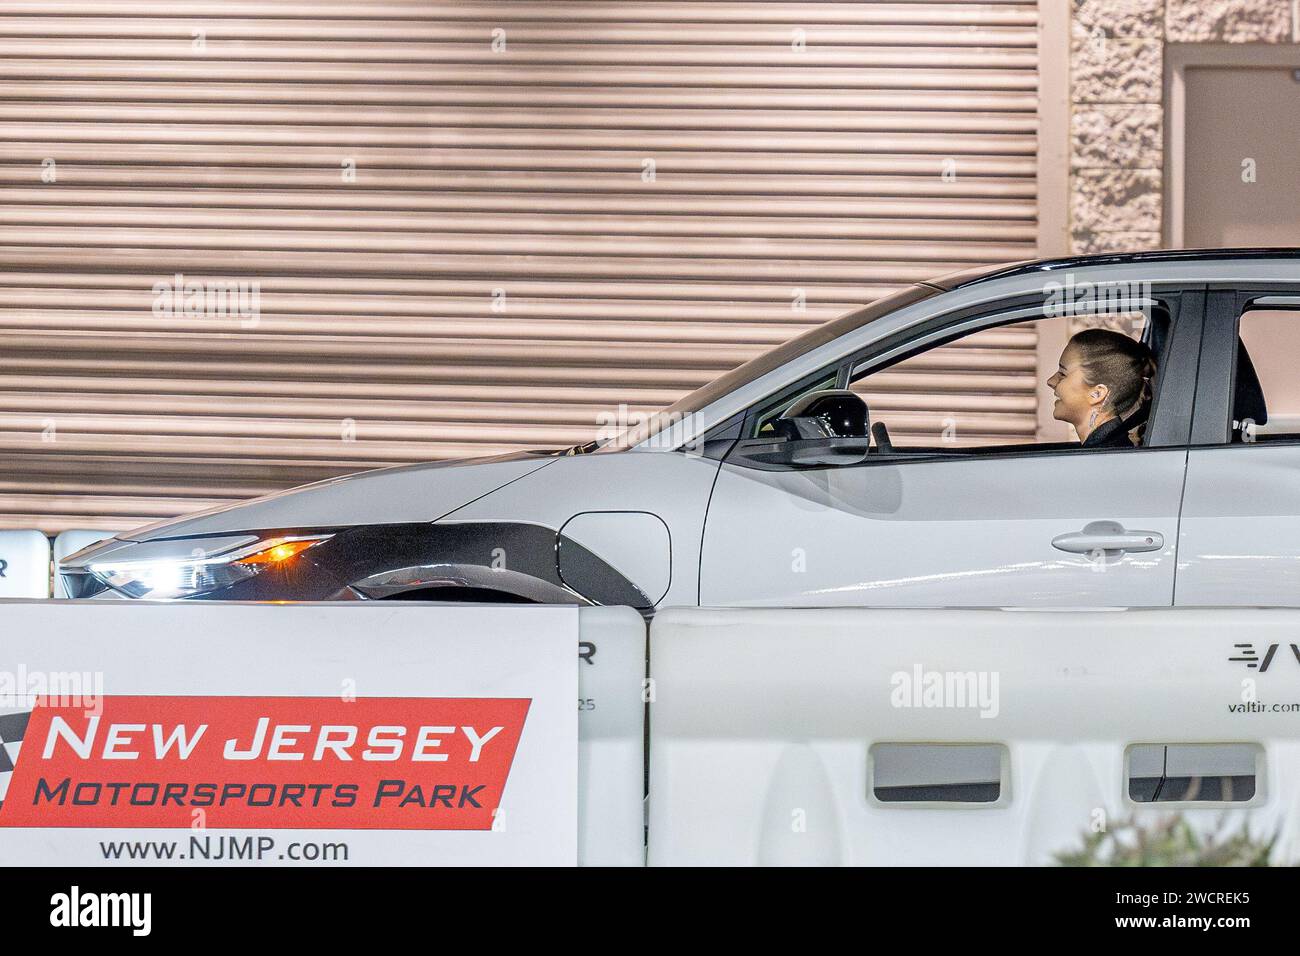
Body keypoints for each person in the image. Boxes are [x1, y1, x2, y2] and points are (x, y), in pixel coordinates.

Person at [1046, 328, 1156, 448]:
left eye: (1062, 374)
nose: (1050, 381)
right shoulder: (1107, 450)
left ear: (1098, 393)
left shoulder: (1103, 458)